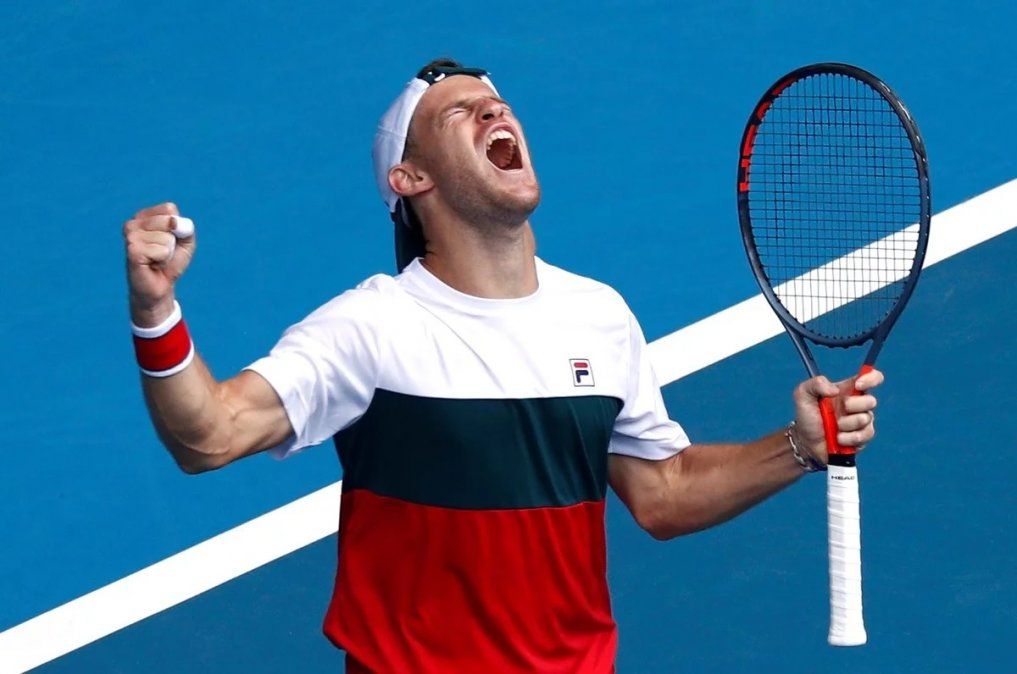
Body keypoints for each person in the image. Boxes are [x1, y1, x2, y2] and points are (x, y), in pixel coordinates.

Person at [122, 59, 882, 674]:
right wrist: (157, 310)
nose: (494, 112)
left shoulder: (600, 315)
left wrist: (797, 447)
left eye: (496, 103)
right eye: (459, 112)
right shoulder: (373, 327)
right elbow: (210, 435)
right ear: (410, 178)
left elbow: (663, 494)